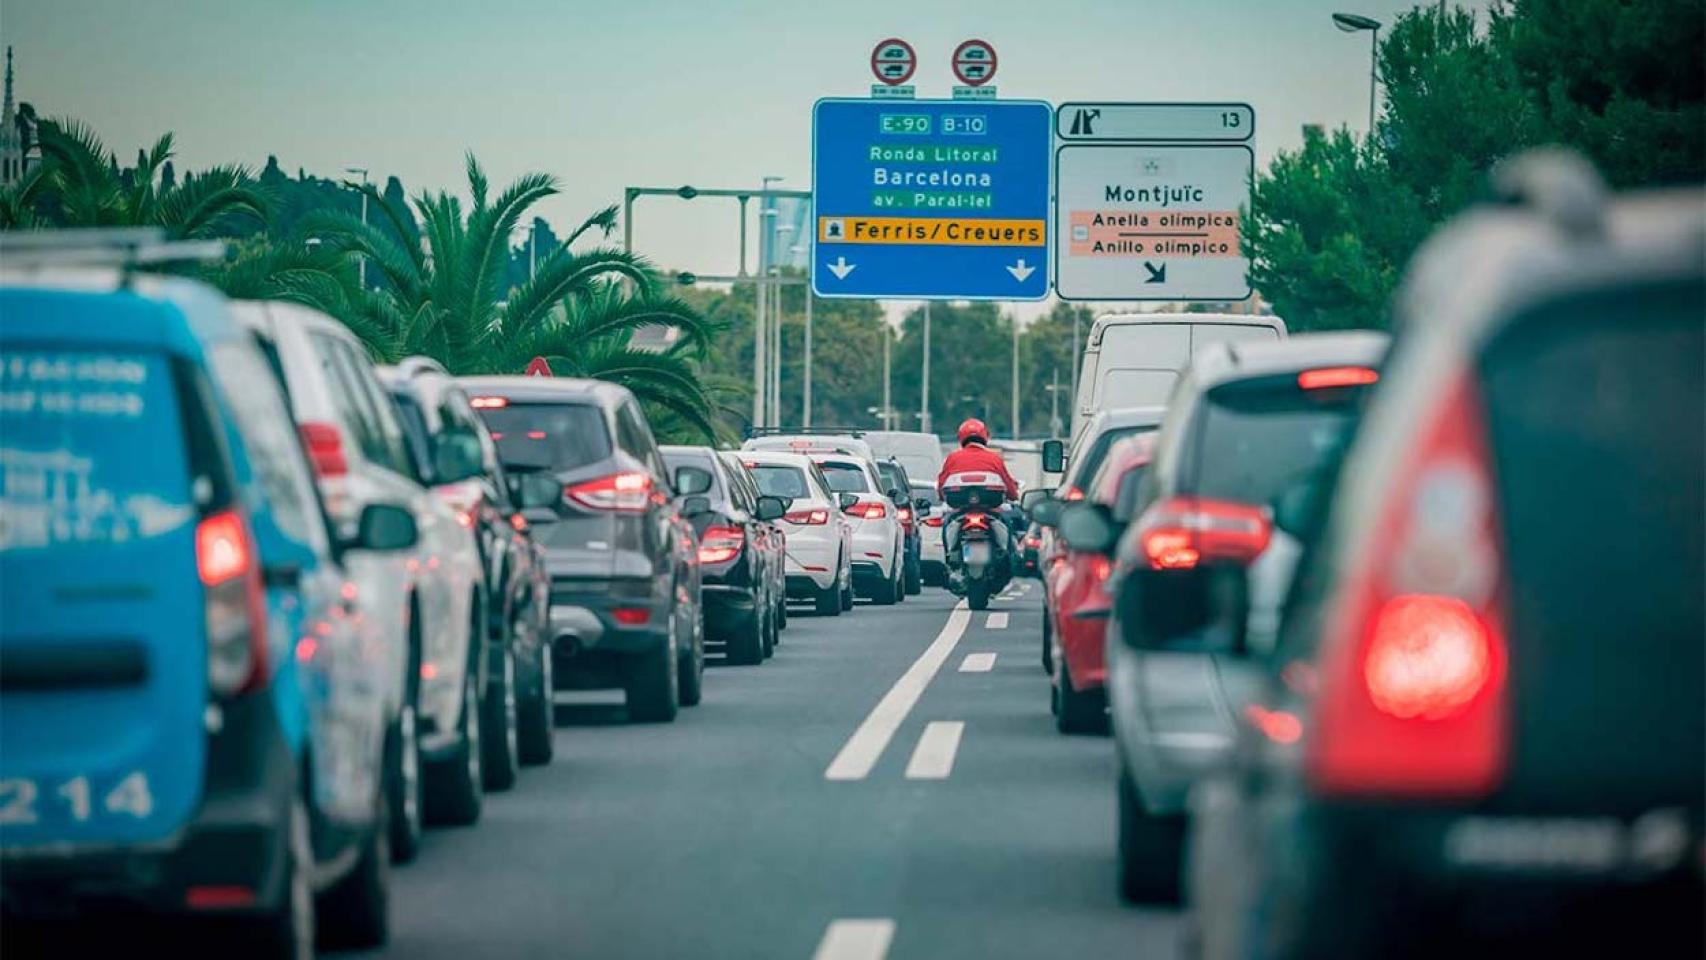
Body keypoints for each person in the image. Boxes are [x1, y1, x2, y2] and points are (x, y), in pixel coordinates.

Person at [936, 418, 1019, 578]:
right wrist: (1013, 496)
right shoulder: (994, 458)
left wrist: (941, 497)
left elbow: (941, 484)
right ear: (985, 437)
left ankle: (951, 560)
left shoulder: (953, 458)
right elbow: (1008, 484)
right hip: (990, 509)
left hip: (960, 511)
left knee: (947, 523)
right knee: (1008, 524)